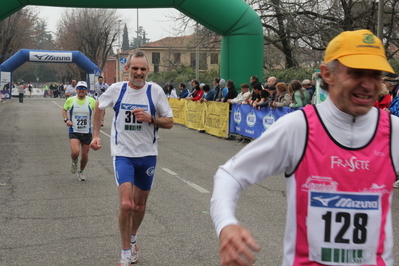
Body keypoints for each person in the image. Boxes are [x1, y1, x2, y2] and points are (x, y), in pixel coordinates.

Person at [210, 29, 399, 266]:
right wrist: (226, 224)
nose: (368, 84)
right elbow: (230, 175)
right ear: (327, 74)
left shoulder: (393, 131)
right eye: (356, 73)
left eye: (375, 75)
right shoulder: (298, 127)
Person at [90, 49, 173, 266]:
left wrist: (151, 118)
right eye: (134, 68)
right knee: (126, 204)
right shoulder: (117, 89)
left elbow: (170, 121)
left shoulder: (155, 92)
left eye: (142, 69)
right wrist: (96, 135)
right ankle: (125, 253)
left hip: (147, 155)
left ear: (148, 70)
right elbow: (99, 106)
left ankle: (133, 237)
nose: (138, 73)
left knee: (139, 206)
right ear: (126, 69)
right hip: (123, 154)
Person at [61, 81, 95, 181]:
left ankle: (81, 171)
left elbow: (100, 109)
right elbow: (64, 109)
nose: (81, 90)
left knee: (84, 155)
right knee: (75, 152)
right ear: (76, 90)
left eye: (83, 88)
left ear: (86, 90)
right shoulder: (71, 100)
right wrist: (66, 120)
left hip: (86, 131)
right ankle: (74, 161)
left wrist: (100, 119)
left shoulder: (91, 100)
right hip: (74, 130)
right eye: (79, 88)